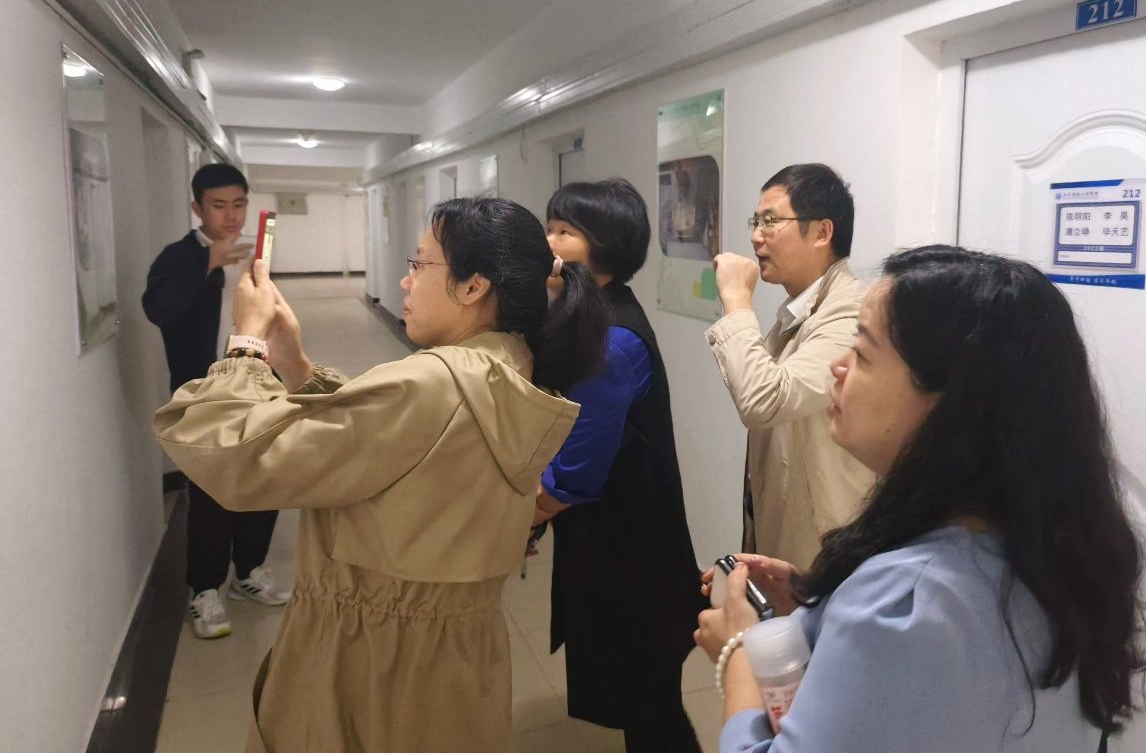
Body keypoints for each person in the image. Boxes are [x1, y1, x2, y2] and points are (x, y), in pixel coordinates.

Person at [152, 197, 608, 753]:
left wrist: (246, 345)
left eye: (420, 263)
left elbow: (229, 454)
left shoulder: (430, 384)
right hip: (458, 661)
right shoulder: (510, 366)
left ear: (473, 286)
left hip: (369, 666)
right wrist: (294, 364)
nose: (405, 279)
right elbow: (388, 444)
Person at [695, 246, 1146, 752]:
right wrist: (819, 609)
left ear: (952, 403)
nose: (838, 368)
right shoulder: (1055, 552)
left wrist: (740, 652)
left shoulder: (907, 603)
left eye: (862, 353)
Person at [536, 179, 706, 752]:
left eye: (564, 232)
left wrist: (520, 518)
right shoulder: (587, 313)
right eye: (549, 227)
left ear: (604, 245)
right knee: (649, 703)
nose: (548, 242)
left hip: (633, 554)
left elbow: (577, 473)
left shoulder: (612, 338)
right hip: (621, 541)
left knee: (652, 709)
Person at [141, 162, 287, 639]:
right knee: (209, 496)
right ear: (197, 208)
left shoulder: (256, 255)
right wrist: (207, 262)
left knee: (264, 480)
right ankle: (204, 590)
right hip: (205, 395)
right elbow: (157, 310)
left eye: (238, 204)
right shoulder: (179, 256)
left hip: (258, 385)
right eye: (219, 206)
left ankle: (249, 572)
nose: (231, 215)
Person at [705, 164, 872, 571]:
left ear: (822, 232)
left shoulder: (851, 312)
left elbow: (763, 400)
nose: (755, 236)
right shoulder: (801, 310)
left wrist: (736, 300)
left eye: (771, 221)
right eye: (756, 222)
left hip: (826, 554)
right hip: (790, 541)